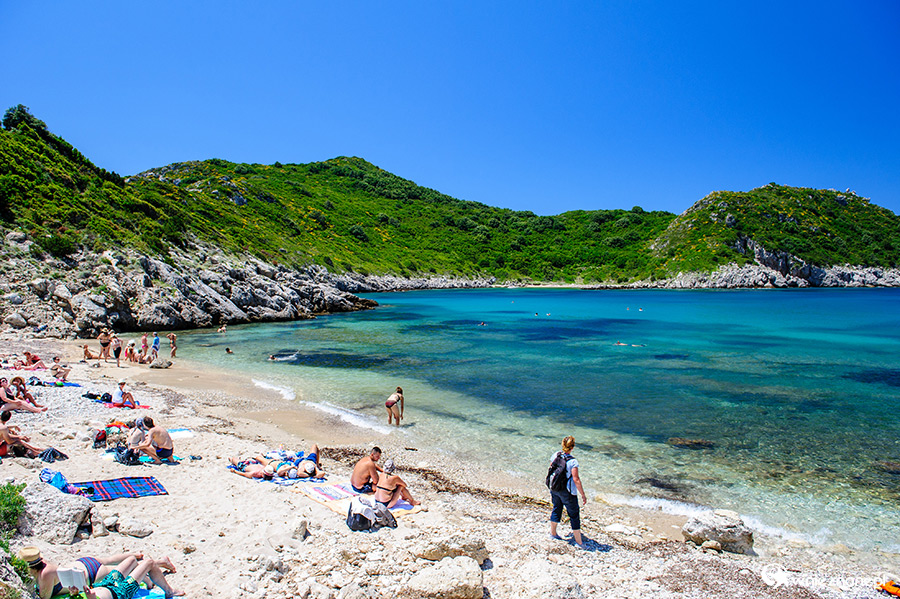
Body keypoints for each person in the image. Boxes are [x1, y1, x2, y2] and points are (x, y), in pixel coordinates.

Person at [18, 546, 182, 599]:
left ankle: (152, 577)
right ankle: (168, 590)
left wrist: (76, 593)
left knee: (136, 563)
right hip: (120, 592)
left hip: (103, 583)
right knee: (139, 562)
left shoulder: (45, 573)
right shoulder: (45, 567)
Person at [549, 436, 588, 548]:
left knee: (556, 508)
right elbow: (576, 479)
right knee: (574, 515)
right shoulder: (573, 461)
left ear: (562, 445)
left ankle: (553, 533)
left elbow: (551, 469)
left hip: (555, 488)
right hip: (568, 492)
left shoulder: (555, 455)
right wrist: (583, 495)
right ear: (573, 447)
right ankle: (579, 542)